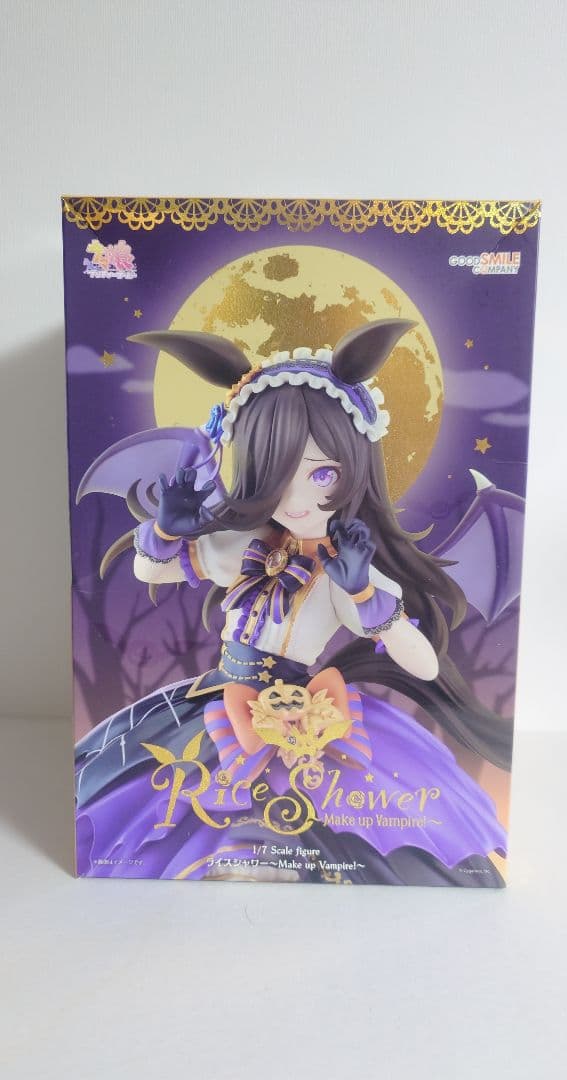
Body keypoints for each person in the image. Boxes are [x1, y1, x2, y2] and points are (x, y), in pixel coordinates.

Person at [75, 318, 508, 885]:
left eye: (323, 474)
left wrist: (361, 590)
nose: (299, 501)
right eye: (276, 476)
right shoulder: (243, 544)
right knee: (154, 806)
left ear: (355, 471)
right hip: (214, 702)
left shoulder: (343, 570)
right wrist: (166, 529)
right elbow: (148, 569)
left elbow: (424, 665)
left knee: (306, 824)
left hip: (302, 717)